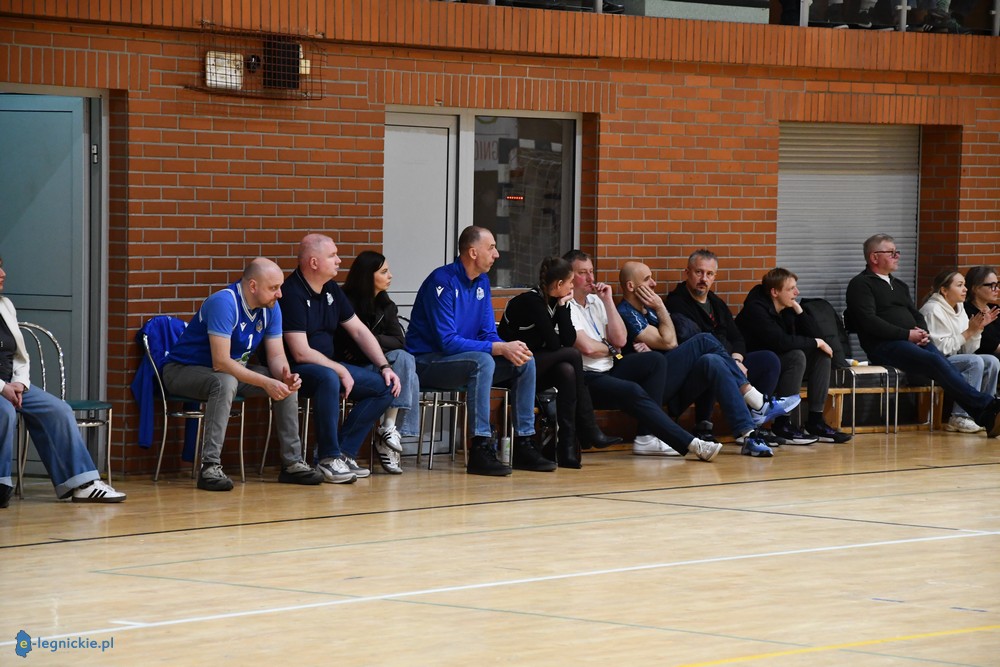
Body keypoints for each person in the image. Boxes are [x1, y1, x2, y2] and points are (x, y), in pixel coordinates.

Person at [163, 258, 323, 491]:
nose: (280, 294)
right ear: (252, 286)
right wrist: (266, 382)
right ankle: (210, 467)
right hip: (182, 371)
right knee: (225, 382)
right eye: (273, 288)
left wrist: (285, 376)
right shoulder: (224, 302)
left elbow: (277, 355)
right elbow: (221, 362)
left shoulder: (271, 307)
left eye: (280, 287)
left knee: (284, 385)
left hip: (229, 372)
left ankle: (292, 464)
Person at [614, 260, 799, 458]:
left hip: (675, 381)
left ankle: (748, 434)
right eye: (647, 279)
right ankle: (757, 401)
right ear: (631, 286)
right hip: (653, 390)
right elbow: (671, 343)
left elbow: (673, 339)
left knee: (713, 361)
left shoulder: (650, 309)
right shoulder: (626, 312)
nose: (654, 284)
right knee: (704, 340)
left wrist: (659, 327)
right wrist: (660, 308)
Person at [406, 226, 548, 476]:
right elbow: (447, 342)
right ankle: (480, 447)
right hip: (426, 363)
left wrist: (507, 348)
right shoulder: (442, 281)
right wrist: (498, 348)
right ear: (473, 252)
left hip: (464, 361)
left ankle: (524, 443)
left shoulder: (482, 281)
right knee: (483, 361)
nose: (496, 254)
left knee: (524, 360)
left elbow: (487, 333)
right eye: (491, 248)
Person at [562, 250, 723, 462]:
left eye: (592, 271)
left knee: (654, 360)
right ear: (569, 276)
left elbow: (620, 340)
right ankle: (690, 443)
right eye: (583, 273)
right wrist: (610, 348)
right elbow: (588, 348)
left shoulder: (597, 301)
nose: (591, 278)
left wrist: (608, 301)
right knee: (633, 389)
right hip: (588, 377)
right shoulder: (565, 306)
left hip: (610, 367)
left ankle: (646, 435)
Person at [845, 234, 1000, 437]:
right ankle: (987, 408)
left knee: (939, 360)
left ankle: (985, 414)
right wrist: (906, 334)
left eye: (897, 252)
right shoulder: (861, 284)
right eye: (891, 252)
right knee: (935, 362)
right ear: (874, 257)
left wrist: (922, 332)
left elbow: (916, 315)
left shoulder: (899, 285)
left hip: (913, 341)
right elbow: (869, 321)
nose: (897, 256)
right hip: (885, 345)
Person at [0, 259, 125, 506]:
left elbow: (20, 356)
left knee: (58, 409)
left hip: (10, 383)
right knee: (4, 412)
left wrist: (20, 383)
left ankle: (82, 483)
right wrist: (3, 388)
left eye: (1, 266)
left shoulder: (6, 306)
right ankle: (1, 484)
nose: (3, 273)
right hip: (2, 388)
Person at [280, 235, 399, 482]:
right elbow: (300, 351)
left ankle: (343, 453)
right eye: (332, 255)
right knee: (329, 377)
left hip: (328, 365)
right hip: (296, 369)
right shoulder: (292, 293)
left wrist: (384, 366)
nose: (339, 260)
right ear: (314, 262)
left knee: (385, 387)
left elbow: (359, 331)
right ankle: (327, 457)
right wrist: (340, 370)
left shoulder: (331, 289)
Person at [498, 257, 622, 469]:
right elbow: (556, 344)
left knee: (566, 371)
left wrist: (563, 306)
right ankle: (589, 429)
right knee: (571, 356)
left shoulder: (557, 301)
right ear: (559, 284)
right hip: (511, 367)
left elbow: (567, 338)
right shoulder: (532, 302)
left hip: (533, 366)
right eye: (570, 282)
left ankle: (566, 449)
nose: (572, 287)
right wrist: (563, 309)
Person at [665, 249, 782, 442]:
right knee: (712, 360)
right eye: (699, 272)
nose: (704, 279)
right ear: (687, 273)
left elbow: (737, 337)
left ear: (714, 277)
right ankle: (704, 423)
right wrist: (730, 360)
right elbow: (699, 339)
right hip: (694, 371)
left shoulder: (716, 302)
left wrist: (737, 359)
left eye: (709, 274)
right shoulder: (677, 302)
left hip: (729, 359)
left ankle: (756, 420)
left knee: (768, 360)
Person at [736, 268, 851, 444]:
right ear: (774, 292)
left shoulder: (787, 308)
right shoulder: (756, 309)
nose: (796, 292)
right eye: (791, 289)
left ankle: (815, 421)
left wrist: (800, 311)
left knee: (821, 355)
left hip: (778, 362)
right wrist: (816, 342)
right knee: (797, 356)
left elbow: (818, 337)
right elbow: (780, 342)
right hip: (755, 367)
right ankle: (782, 424)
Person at [339, 250, 419, 474]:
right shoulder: (345, 300)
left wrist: (371, 340)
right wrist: (371, 344)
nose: (390, 276)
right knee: (409, 375)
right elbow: (346, 342)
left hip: (375, 365)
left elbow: (399, 341)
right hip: (349, 365)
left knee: (404, 359)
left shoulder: (386, 305)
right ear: (367, 275)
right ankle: (386, 435)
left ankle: (388, 428)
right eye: (384, 272)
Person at [918, 269, 1000, 433]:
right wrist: (969, 332)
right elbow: (941, 350)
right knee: (974, 361)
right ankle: (960, 416)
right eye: (960, 285)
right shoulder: (933, 309)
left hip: (953, 360)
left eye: (964, 285)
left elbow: (967, 349)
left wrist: (977, 330)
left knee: (991, 361)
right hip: (932, 362)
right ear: (944, 290)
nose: (965, 289)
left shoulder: (960, 308)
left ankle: (988, 413)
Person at [963, 266, 1000, 357]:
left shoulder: (995, 308)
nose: (997, 289)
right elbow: (989, 346)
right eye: (992, 286)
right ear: (975, 288)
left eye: (997, 285)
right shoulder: (967, 311)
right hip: (985, 358)